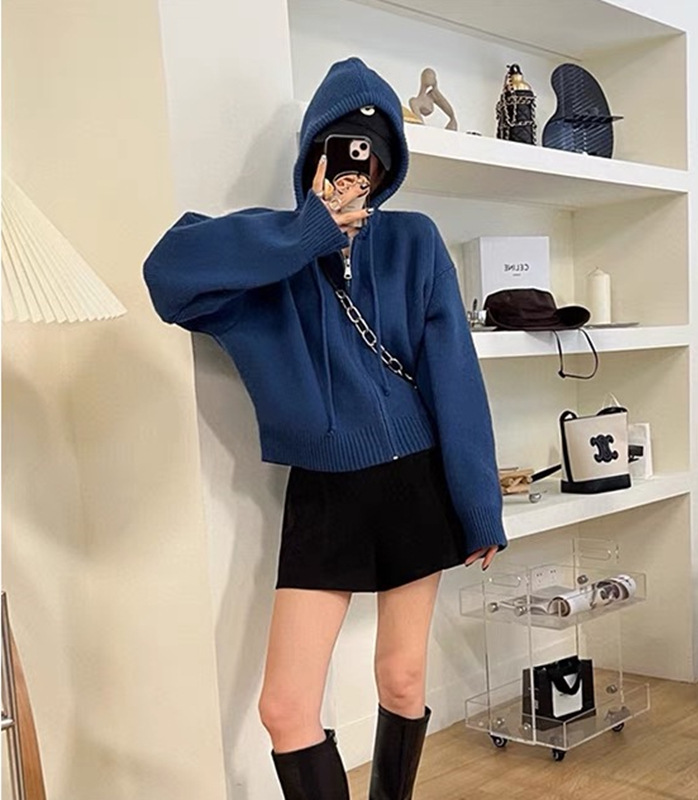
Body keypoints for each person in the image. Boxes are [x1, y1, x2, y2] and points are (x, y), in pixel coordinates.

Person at [142, 55, 508, 799]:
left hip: (412, 477)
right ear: (313, 151)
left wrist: (479, 506)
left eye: (373, 152)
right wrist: (305, 235)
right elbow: (167, 276)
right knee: (285, 709)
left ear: (388, 165)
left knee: (401, 678)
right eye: (341, 146)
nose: (355, 167)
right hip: (323, 490)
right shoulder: (267, 252)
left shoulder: (414, 240)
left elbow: (454, 375)